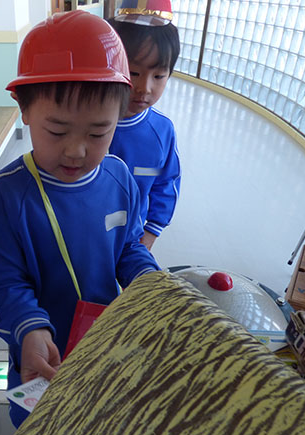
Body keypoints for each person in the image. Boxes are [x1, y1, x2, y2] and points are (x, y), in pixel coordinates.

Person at [0, 10, 161, 428]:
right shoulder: (7, 195)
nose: (76, 151)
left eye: (98, 133)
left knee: (97, 425)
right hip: (40, 351)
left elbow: (128, 248)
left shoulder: (120, 178)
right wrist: (29, 328)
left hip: (103, 341)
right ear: (24, 109)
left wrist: (147, 280)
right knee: (40, 433)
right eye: (57, 131)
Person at [107, 0, 182, 251]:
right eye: (133, 73)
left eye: (158, 76)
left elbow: (165, 183)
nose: (144, 88)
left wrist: (151, 231)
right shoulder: (85, 122)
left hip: (131, 239)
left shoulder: (162, 132)